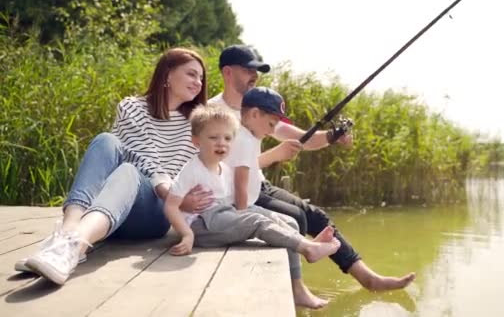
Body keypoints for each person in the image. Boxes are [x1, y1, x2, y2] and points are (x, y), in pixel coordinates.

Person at [209, 44, 416, 291]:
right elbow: (221, 167)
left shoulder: (258, 109)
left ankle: (368, 278)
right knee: (296, 217)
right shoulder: (213, 112)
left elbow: (299, 138)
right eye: (248, 70)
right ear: (228, 72)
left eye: (258, 71)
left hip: (260, 184)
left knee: (317, 216)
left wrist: (332, 136)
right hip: (236, 190)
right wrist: (275, 155)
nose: (255, 76)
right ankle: (297, 283)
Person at [15, 47, 215, 285]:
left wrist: (178, 197)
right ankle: (66, 236)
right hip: (110, 207)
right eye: (192, 74)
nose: (199, 82)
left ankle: (74, 244)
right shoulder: (132, 107)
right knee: (105, 140)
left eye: (201, 78)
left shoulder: (197, 124)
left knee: (129, 171)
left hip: (155, 212)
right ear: (168, 74)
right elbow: (144, 156)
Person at [163, 103, 340, 309]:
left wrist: (248, 210)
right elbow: (170, 206)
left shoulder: (224, 168)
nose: (222, 143)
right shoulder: (192, 169)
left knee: (287, 221)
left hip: (222, 215)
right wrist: (187, 234)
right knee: (256, 220)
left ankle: (299, 277)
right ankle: (307, 248)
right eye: (213, 138)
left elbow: (234, 202)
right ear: (196, 141)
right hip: (202, 226)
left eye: (228, 138)